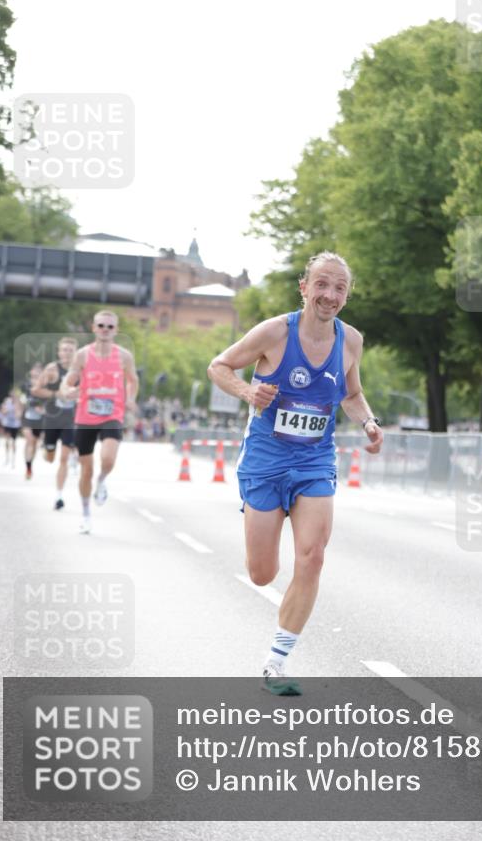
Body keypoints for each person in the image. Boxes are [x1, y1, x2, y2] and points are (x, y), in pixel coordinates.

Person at [207, 252, 383, 695]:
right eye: (321, 285)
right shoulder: (273, 332)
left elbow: (353, 393)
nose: (330, 295)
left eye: (339, 288)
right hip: (265, 460)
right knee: (262, 574)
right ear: (304, 287)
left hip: (314, 462)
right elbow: (218, 366)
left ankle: (276, 661)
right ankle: (259, 515)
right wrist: (249, 390)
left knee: (313, 555)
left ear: (347, 295)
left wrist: (368, 422)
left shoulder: (350, 341)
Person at [63, 310, 138, 534]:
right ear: (94, 328)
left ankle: (103, 480)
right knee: (86, 469)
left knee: (107, 459)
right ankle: (86, 514)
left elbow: (133, 380)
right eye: (101, 326)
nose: (105, 330)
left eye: (110, 327)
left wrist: (130, 399)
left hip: (112, 415)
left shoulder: (124, 356)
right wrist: (67, 391)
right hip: (85, 417)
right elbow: (67, 382)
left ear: (116, 330)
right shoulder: (83, 355)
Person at [32, 337, 78, 511]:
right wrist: (55, 394)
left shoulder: (81, 370)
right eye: (64, 350)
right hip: (52, 419)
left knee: (64, 458)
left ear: (76, 353)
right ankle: (47, 448)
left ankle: (59, 495)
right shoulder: (52, 369)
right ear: (59, 352)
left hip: (70, 420)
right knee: (50, 458)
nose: (67, 353)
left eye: (70, 350)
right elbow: (36, 389)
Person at [20, 364, 45, 479]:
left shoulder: (45, 387)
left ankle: (30, 466)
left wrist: (43, 408)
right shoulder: (25, 385)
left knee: (34, 443)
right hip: (27, 417)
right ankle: (27, 466)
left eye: (39, 371)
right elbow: (20, 398)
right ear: (31, 372)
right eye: (35, 371)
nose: (37, 373)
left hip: (39, 419)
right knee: (29, 440)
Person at [0, 391, 22, 467]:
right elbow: (3, 411)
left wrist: (16, 411)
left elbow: (19, 414)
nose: (13, 398)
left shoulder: (18, 403)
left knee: (13, 442)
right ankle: (7, 458)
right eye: (11, 396)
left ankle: (13, 460)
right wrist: (8, 410)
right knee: (7, 441)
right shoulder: (6, 402)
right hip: (7, 424)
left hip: (15, 425)